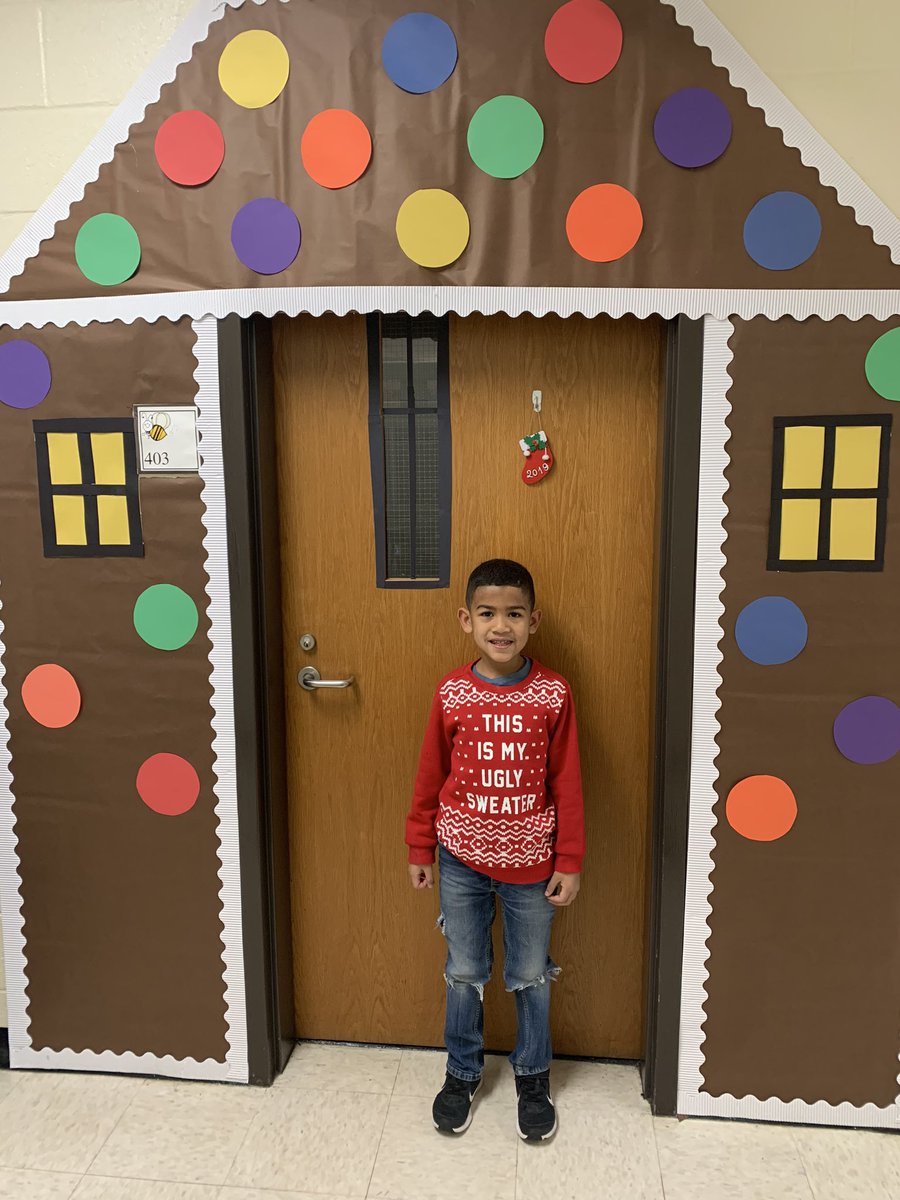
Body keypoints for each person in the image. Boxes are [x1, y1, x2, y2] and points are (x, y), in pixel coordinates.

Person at [405, 558, 584, 1143]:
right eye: (487, 613)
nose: (500, 625)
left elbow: (568, 782)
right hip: (459, 860)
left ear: (534, 621)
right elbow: (431, 774)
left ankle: (533, 1076)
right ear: (466, 620)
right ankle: (462, 1072)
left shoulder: (553, 693)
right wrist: (420, 845)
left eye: (513, 614)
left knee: (531, 973)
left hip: (533, 865)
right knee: (464, 970)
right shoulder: (452, 692)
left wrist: (570, 860)